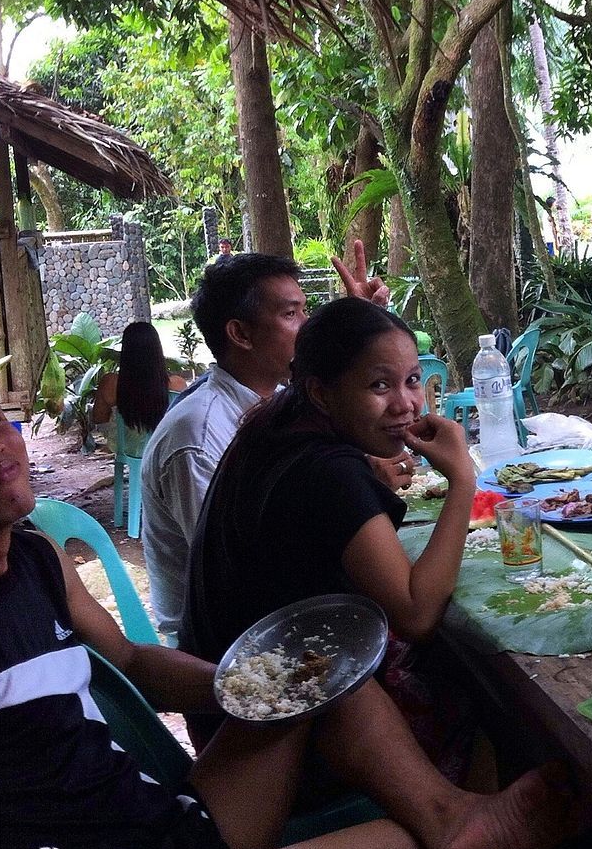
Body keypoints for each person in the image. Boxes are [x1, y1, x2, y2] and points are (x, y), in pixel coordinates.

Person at [0, 355, 571, 849]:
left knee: (320, 675)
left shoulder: (35, 557)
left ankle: (453, 824)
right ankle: (461, 831)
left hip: (152, 828)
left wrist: (250, 689)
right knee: (435, 843)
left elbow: (132, 660)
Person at [183, 300, 477, 758]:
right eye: (379, 385)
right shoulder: (328, 470)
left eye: (412, 380)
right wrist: (463, 481)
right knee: (491, 704)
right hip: (271, 732)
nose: (405, 404)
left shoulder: (279, 422)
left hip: (231, 703)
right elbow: (416, 616)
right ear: (321, 393)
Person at [142, 248, 399, 644]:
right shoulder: (199, 434)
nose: (308, 325)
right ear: (240, 334)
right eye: (291, 314)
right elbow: (234, 566)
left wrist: (359, 332)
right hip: (236, 651)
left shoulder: (277, 398)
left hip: (286, 612)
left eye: (305, 311)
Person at [90, 321, 188, 448]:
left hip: (125, 450)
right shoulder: (177, 384)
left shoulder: (110, 383)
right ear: (157, 349)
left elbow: (99, 419)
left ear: (125, 350)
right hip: (165, 449)